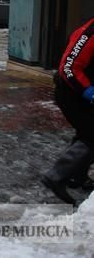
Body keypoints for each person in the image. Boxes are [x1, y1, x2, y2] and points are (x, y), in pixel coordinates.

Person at [41, 18, 94, 205]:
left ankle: (76, 177)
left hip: (86, 92)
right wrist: (89, 91)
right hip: (71, 92)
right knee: (91, 133)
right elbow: (69, 67)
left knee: (86, 132)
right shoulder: (89, 33)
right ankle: (57, 176)